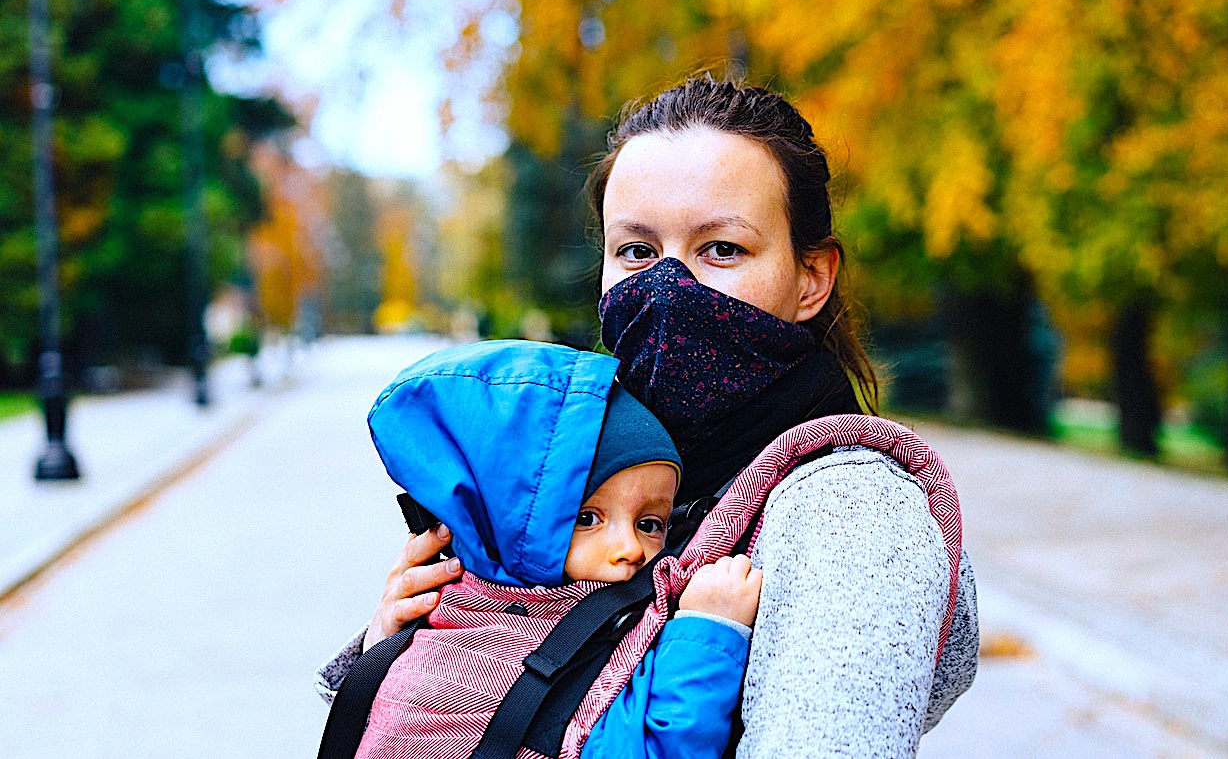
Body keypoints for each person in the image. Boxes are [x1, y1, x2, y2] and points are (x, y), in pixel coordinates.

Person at [318, 75, 979, 757]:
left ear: (811, 277)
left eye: (722, 248)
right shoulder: (594, 461)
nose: (668, 287)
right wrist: (406, 651)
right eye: (637, 250)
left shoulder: (850, 513)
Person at [348, 339, 762, 759]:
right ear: (506, 523)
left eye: (649, 524)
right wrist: (709, 632)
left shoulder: (616, 612)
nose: (630, 548)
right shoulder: (451, 660)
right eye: (586, 518)